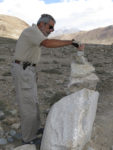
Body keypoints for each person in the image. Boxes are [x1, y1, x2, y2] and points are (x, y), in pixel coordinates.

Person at [11, 14, 84, 144]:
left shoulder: (36, 33)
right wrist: (70, 42)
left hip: (28, 70)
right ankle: (29, 138)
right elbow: (47, 43)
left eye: (53, 28)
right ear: (41, 24)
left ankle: (35, 130)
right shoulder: (32, 31)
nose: (52, 30)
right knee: (28, 104)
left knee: (33, 102)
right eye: (50, 27)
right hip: (24, 71)